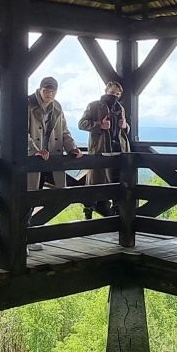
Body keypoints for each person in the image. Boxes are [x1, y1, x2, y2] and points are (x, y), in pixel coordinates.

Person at [27, 76, 82, 251]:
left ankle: (29, 237)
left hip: (50, 159)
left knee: (38, 198)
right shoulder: (27, 104)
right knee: (26, 198)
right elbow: (20, 131)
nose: (49, 94)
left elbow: (64, 131)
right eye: (46, 90)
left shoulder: (57, 107)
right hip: (29, 160)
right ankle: (20, 239)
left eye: (52, 91)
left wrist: (72, 148)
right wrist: (34, 149)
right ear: (40, 89)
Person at [78, 79, 131, 217]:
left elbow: (125, 130)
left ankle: (116, 216)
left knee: (118, 182)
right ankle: (91, 211)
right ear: (106, 91)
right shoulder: (94, 106)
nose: (115, 96)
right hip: (100, 151)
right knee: (97, 184)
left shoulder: (120, 108)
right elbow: (82, 124)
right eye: (112, 92)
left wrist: (125, 125)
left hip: (119, 151)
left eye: (118, 93)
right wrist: (99, 125)